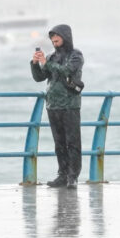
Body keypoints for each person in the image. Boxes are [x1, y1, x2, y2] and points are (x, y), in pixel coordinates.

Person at [30, 24, 84, 189]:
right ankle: (62, 175)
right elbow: (39, 77)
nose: (53, 40)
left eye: (56, 37)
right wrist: (35, 63)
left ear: (65, 36)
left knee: (72, 142)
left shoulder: (76, 56)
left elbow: (67, 71)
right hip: (53, 105)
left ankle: (73, 176)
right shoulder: (52, 57)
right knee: (59, 143)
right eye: (52, 38)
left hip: (70, 105)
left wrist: (46, 62)